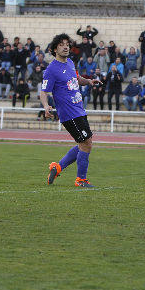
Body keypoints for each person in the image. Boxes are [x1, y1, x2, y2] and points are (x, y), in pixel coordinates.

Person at [43, 34, 102, 188]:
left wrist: (88, 81)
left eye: (67, 44)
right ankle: (80, 180)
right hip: (69, 113)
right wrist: (45, 106)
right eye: (62, 45)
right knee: (86, 144)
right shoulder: (51, 69)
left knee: (85, 143)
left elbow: (76, 78)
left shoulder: (69, 62)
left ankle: (58, 167)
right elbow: (44, 91)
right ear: (55, 49)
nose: (66, 47)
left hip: (79, 110)